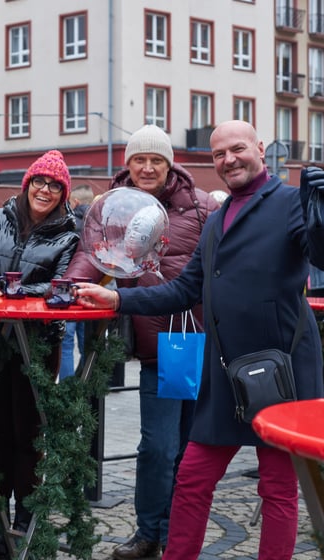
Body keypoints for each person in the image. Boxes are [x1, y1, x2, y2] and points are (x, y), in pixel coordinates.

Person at [75, 120, 324, 559]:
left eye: (237, 149)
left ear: (259, 149)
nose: (229, 159)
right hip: (225, 371)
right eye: (218, 154)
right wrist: (114, 299)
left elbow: (320, 255)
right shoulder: (217, 218)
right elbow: (183, 291)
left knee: (278, 488)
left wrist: (321, 210)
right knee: (191, 478)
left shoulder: (289, 202)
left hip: (279, 369)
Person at [66, 125, 219, 557]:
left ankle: (177, 535)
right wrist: (67, 287)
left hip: (200, 342)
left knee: (192, 447)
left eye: (156, 159)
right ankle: (150, 532)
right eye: (140, 159)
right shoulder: (109, 207)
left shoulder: (202, 206)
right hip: (159, 349)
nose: (148, 167)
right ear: (128, 164)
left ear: (169, 163)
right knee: (158, 446)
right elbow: (88, 257)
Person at [0, 150, 79, 555]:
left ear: (63, 193)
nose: (45, 190)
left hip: (38, 342)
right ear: (26, 185)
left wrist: (12, 294)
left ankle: (26, 519)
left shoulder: (69, 233)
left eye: (54, 185)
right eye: (39, 182)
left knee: (28, 429)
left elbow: (61, 286)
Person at [58, 183, 95, 380]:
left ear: (76, 202)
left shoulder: (69, 224)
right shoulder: (98, 224)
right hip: (93, 291)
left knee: (65, 342)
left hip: (69, 289)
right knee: (88, 343)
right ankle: (86, 384)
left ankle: (67, 387)